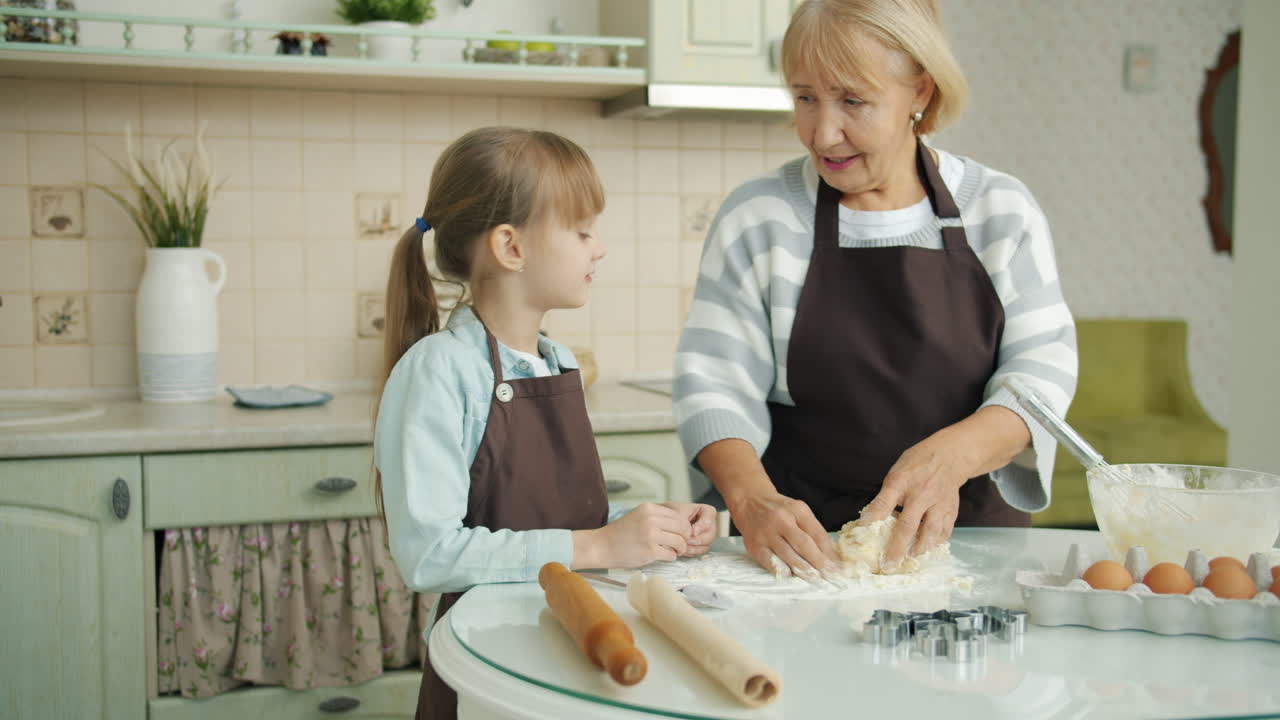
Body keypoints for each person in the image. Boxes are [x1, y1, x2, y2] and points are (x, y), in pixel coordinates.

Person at [674, 0, 1077, 582]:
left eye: (853, 101)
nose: (822, 131)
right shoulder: (760, 215)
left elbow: (1042, 375)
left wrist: (953, 456)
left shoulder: (1000, 211)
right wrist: (750, 500)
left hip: (970, 549)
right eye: (804, 97)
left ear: (920, 91)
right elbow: (713, 383)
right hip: (801, 559)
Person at [374, 127, 718, 720]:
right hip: (487, 661)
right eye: (582, 231)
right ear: (511, 247)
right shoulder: (438, 372)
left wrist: (651, 529)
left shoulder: (555, 361)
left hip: (571, 641)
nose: (599, 248)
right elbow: (428, 554)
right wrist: (602, 543)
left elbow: (553, 520)